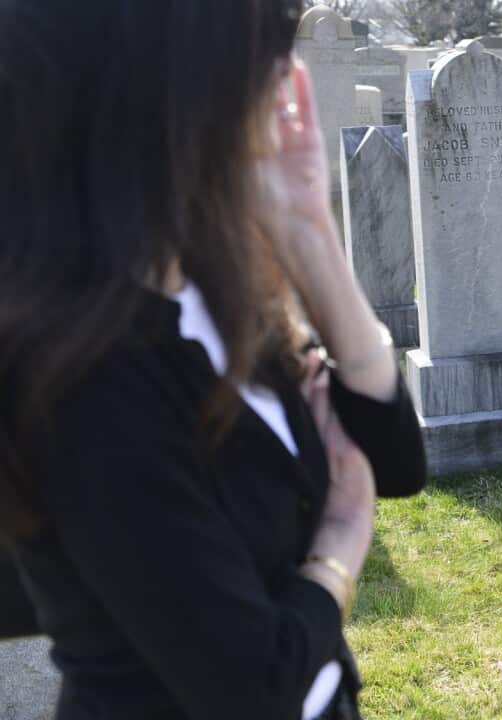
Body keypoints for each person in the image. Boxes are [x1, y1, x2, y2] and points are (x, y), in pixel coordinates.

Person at [0, 1, 428, 718]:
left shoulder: (203, 278)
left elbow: (394, 463)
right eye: (256, 44)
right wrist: (340, 544)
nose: (283, 70)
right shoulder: (86, 371)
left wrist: (309, 224)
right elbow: (251, 685)